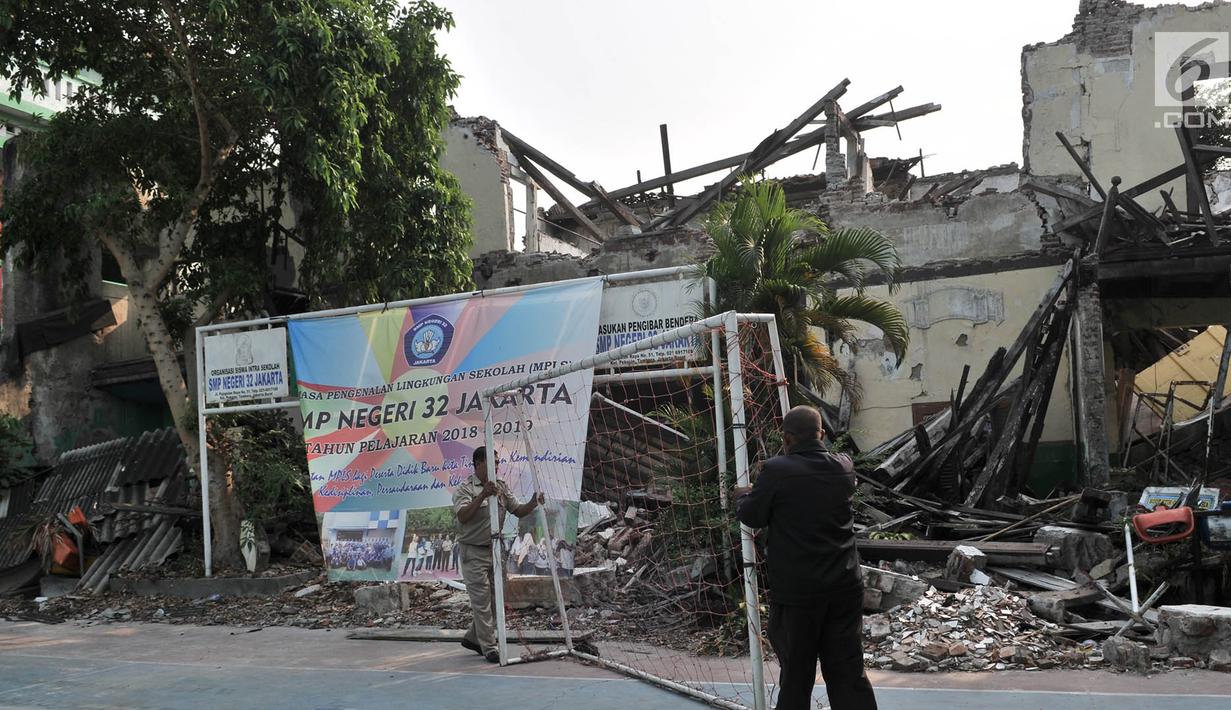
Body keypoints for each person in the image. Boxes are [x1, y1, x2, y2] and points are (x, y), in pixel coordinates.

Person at [735, 405, 878, 710]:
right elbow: (807, 486)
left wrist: (745, 495)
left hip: (799, 594)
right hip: (844, 586)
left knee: (797, 674)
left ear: (786, 438)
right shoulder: (843, 467)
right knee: (847, 670)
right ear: (822, 434)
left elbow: (752, 515)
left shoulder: (776, 471)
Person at [452, 446, 543, 663]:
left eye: (497, 462)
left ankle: (474, 637)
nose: (496, 467)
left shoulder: (501, 486)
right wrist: (482, 494)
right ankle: (490, 647)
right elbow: (463, 516)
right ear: (478, 465)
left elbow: (517, 510)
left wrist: (533, 502)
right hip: (472, 551)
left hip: (494, 549)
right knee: (482, 600)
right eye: (492, 462)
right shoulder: (465, 489)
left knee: (496, 599)